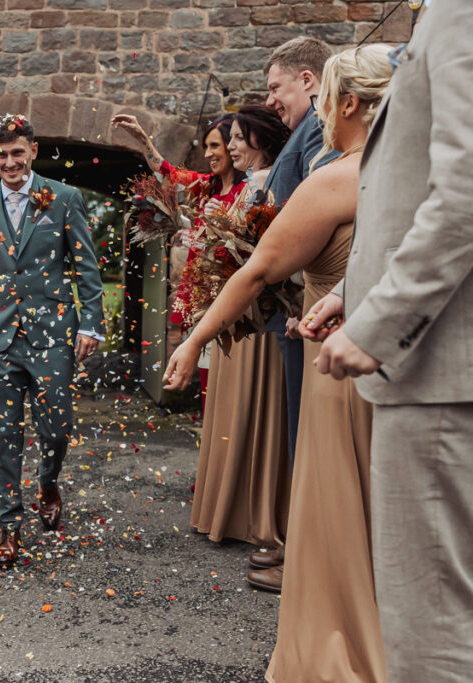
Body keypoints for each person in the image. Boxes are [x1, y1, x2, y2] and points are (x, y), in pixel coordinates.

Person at [165, 44, 394, 683]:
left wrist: (190, 341)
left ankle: (340, 647)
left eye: (323, 99)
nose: (318, 114)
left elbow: (258, 270)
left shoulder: (336, 178)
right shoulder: (422, 177)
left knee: (337, 509)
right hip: (404, 367)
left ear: (347, 103)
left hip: (337, 373)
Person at [309, 2, 473, 678]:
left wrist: (381, 322)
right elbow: (409, 193)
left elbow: (463, 188)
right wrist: (353, 293)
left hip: (438, 367)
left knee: (432, 626)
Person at [0, 115, 106, 567]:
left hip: (53, 333)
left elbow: (86, 267)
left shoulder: (64, 198)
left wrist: (91, 324)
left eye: (17, 153)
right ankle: (7, 527)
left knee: (55, 427)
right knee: (6, 435)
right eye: (1, 155)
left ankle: (49, 482)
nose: (10, 162)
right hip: (0, 337)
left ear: (33, 151)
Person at [245, 35, 339, 590]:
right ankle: (304, 548)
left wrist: (292, 288)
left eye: (276, 87)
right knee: (299, 432)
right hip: (297, 303)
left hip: (310, 305)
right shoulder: (303, 132)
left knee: (309, 434)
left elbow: (311, 223)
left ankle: (309, 562)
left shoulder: (322, 131)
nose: (272, 100)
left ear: (309, 79)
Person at [178, 104, 292, 554]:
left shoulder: (273, 188)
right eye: (232, 139)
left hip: (258, 321)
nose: (232, 146)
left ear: (262, 140)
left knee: (254, 410)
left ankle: (255, 513)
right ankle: (228, 506)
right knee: (228, 410)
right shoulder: (247, 187)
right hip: (234, 316)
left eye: (241, 138)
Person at [110, 112, 247, 412]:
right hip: (200, 304)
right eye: (205, 147)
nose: (208, 154)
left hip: (231, 307)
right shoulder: (208, 187)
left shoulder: (246, 193)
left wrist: (216, 231)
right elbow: (167, 174)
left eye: (215, 146)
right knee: (210, 393)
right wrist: (141, 138)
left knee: (231, 395)